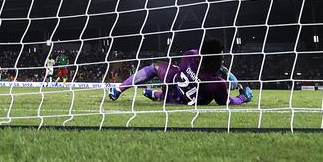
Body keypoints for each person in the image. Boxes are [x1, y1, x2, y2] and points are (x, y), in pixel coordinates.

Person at [106, 38, 253, 107]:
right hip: (188, 100)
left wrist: (221, 69)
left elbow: (200, 61)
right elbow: (229, 102)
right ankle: (157, 95)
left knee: (154, 67)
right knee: (184, 96)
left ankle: (119, 89)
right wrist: (244, 97)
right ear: (217, 58)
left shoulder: (190, 54)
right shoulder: (217, 84)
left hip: (174, 86)